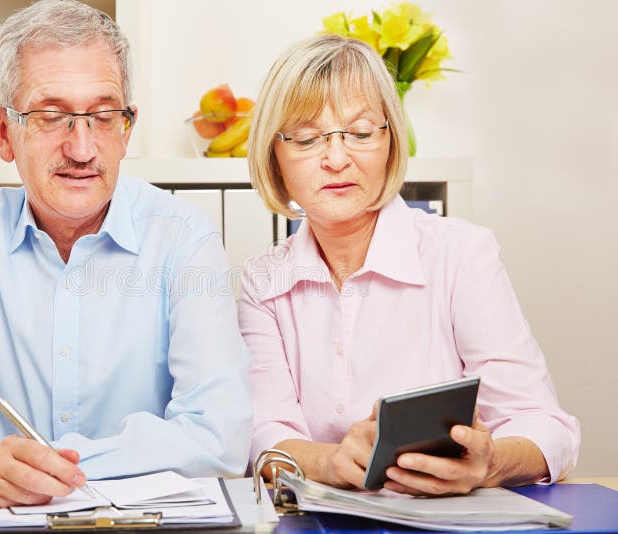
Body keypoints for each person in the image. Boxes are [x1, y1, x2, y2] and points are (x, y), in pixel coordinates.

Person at [0, 0, 251, 513]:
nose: (83, 148)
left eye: (104, 115)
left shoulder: (184, 237)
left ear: (127, 127)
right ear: (3, 132)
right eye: (51, 116)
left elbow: (219, 441)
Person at [240, 34, 579, 496]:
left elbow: (547, 427)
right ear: (274, 156)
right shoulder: (263, 281)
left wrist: (491, 462)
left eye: (360, 133)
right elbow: (265, 435)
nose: (337, 159)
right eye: (306, 138)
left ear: (391, 141)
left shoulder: (462, 254)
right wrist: (334, 462)